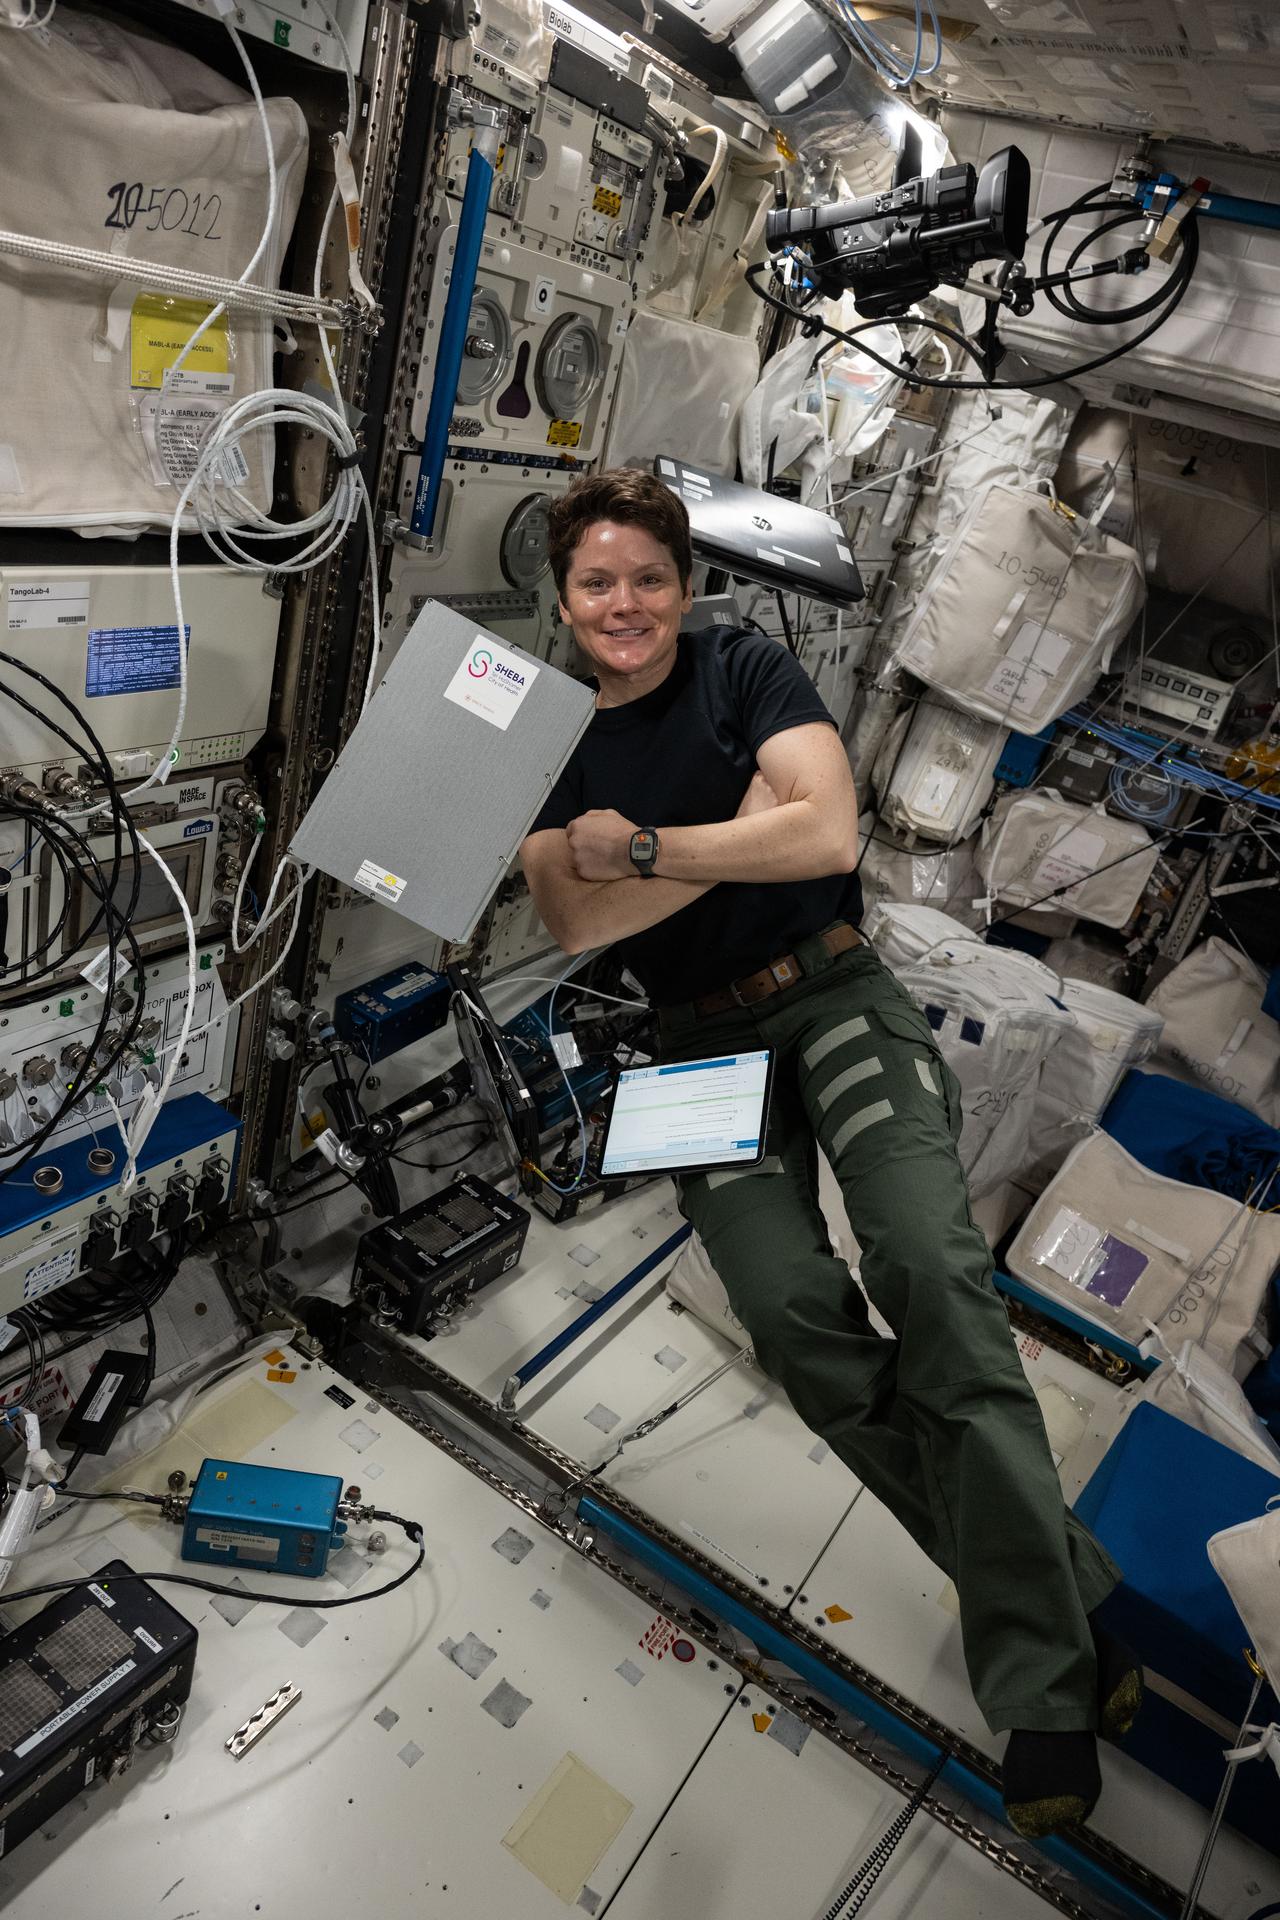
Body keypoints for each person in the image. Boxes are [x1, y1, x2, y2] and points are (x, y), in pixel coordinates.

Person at [519, 467, 1140, 1838]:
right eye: (595, 583)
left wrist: (644, 849)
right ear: (563, 602)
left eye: (648, 578)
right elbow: (568, 919)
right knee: (797, 1324)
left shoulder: (739, 663)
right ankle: (1063, 1583)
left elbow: (825, 829)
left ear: (685, 586)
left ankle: (1039, 1680)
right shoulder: (552, 730)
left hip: (833, 987)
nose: (625, 605)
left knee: (927, 1268)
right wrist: (723, 841)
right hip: (691, 1047)